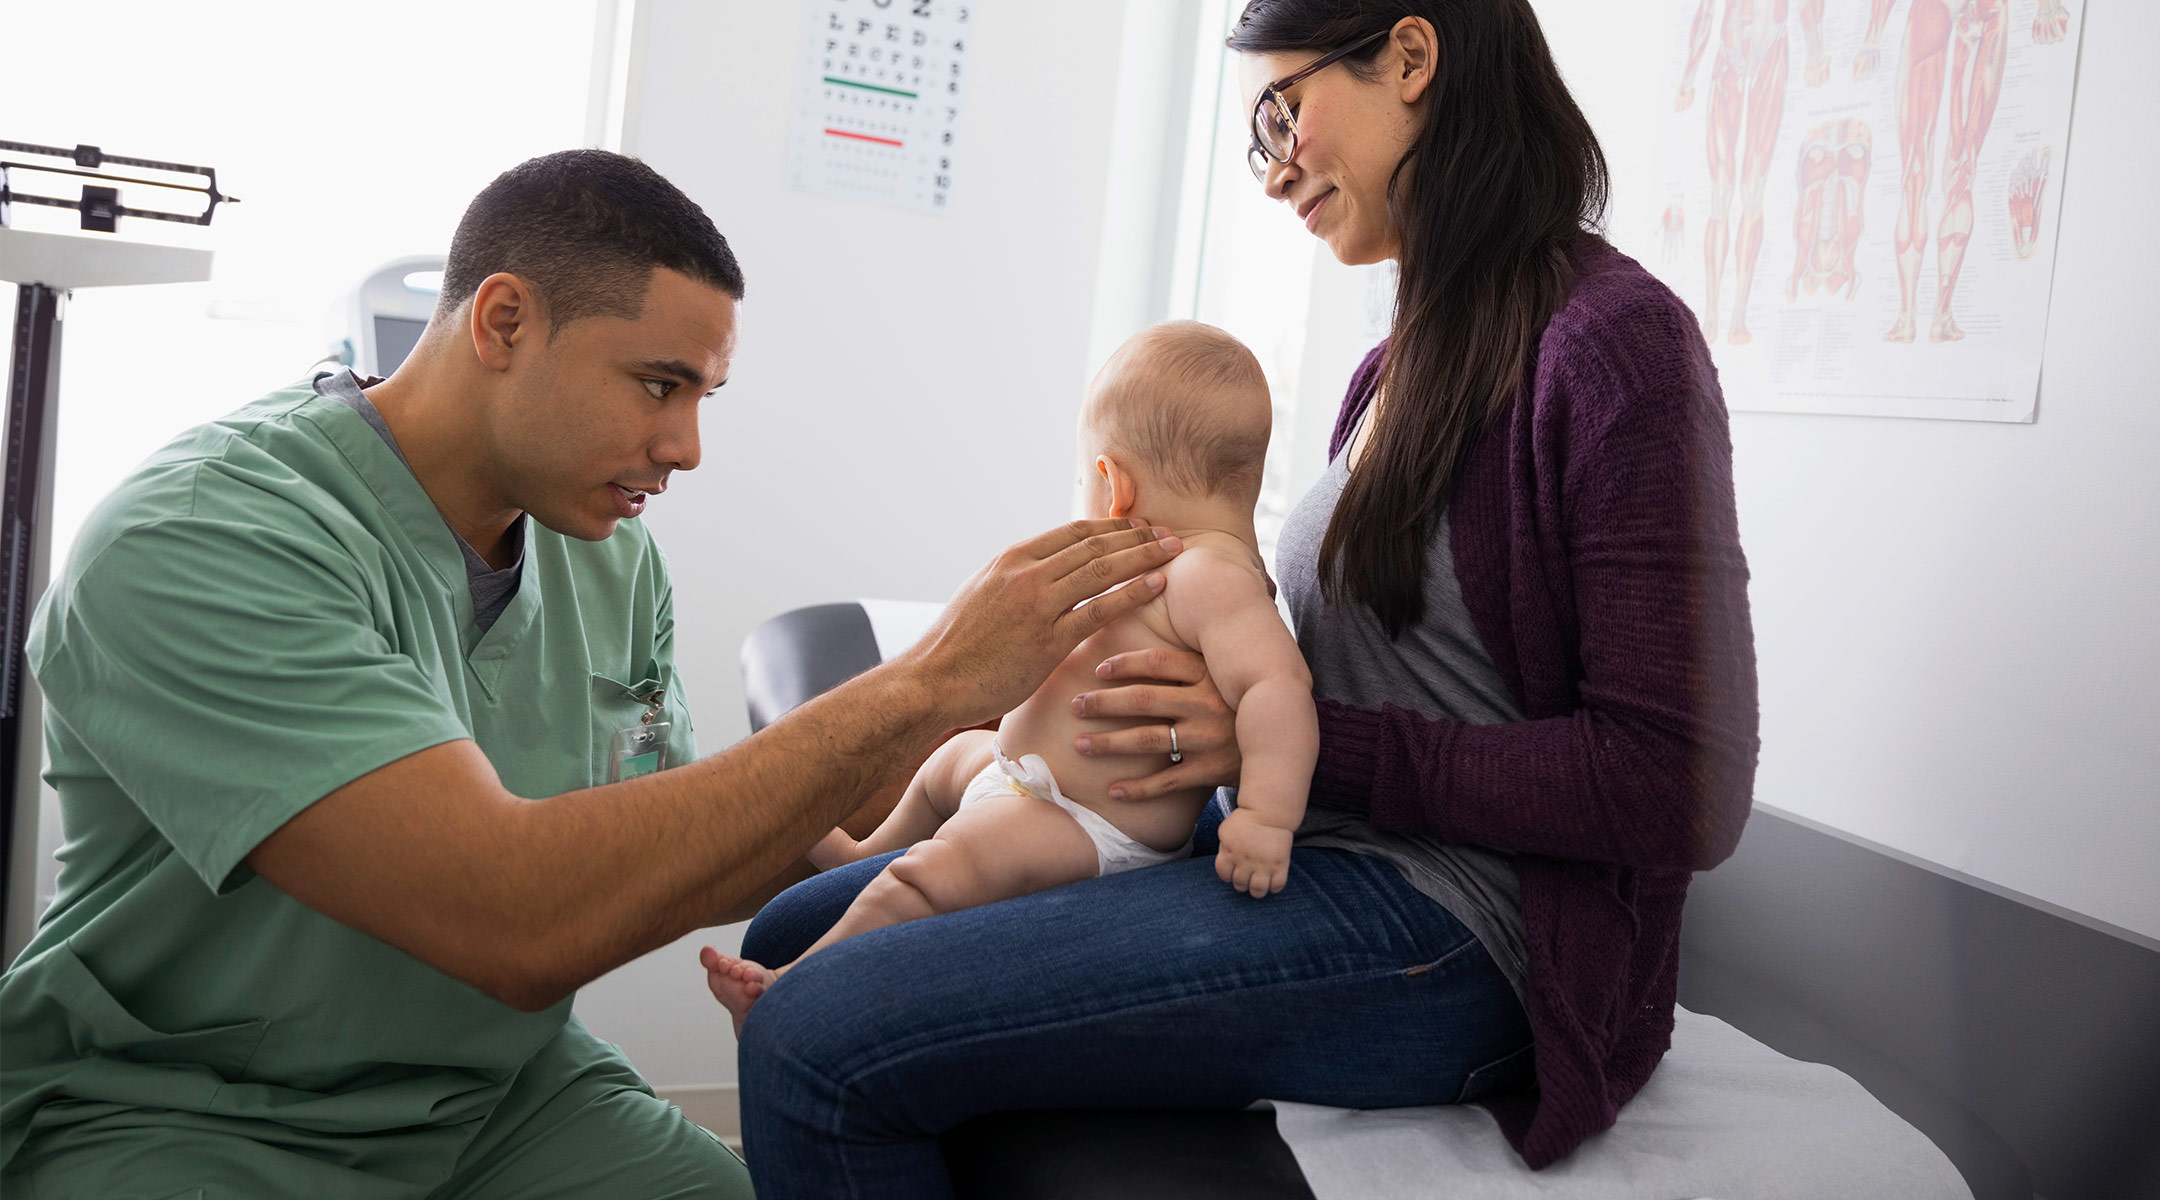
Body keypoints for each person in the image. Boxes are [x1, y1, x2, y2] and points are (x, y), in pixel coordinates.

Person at [0, 149, 1184, 1198]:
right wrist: (921, 683)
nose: (687, 447)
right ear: (504, 322)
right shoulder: (203, 542)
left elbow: (665, 831)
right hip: (188, 1113)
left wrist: (978, 796)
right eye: (659, 384)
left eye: (704, 397)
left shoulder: (608, 562)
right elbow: (514, 917)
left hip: (494, 1105)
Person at [733, 3, 1758, 1195]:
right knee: (788, 934)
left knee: (820, 1037)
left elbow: (1682, 786)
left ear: (1412, 57)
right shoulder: (1399, 364)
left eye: (1282, 113)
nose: (1272, 175)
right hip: (1294, 855)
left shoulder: (1617, 344)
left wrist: (1304, 753)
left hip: (1462, 931)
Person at [701, 321, 1317, 1027]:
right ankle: (863, 849)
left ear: (1113, 482)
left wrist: (1267, 818)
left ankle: (789, 989)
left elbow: (1277, 689)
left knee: (933, 871)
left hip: (1086, 825)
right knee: (945, 764)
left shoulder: (1213, 577)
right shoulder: (1157, 557)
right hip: (1027, 783)